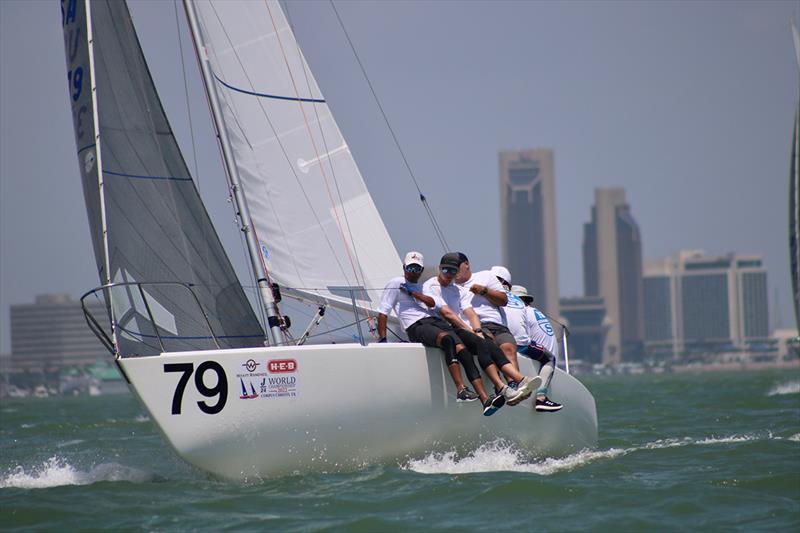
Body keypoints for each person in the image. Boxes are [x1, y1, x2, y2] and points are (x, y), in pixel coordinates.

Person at [376, 251, 504, 416]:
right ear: (404, 267)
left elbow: (431, 302)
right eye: (410, 268)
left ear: (421, 270)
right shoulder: (396, 283)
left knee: (464, 351)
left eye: (417, 269)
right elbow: (382, 312)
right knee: (448, 340)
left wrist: (413, 293)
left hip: (435, 322)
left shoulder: (423, 286)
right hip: (416, 326)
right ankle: (460, 389)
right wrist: (382, 340)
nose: (413, 272)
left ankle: (485, 400)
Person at [423, 254, 541, 408]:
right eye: (446, 270)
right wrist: (472, 330)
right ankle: (504, 386)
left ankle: (515, 386)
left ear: (466, 265)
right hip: (452, 328)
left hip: (479, 326)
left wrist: (476, 328)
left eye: (454, 270)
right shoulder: (431, 285)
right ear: (439, 269)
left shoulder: (461, 288)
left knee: (504, 346)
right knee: (486, 344)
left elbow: (471, 311)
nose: (451, 274)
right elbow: (448, 314)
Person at [507, 285, 563, 412]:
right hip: (549, 366)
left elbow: (516, 338)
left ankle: (541, 397)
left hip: (538, 361)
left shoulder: (520, 311)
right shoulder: (535, 311)